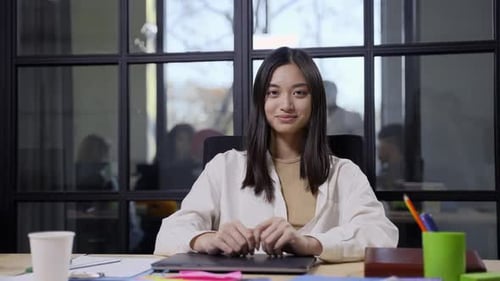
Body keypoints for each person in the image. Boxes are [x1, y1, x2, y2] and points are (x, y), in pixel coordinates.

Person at [154, 47, 398, 262]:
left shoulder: (343, 173)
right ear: (261, 101)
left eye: (299, 93)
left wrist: (310, 244)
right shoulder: (224, 167)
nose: (286, 105)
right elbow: (170, 233)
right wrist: (207, 239)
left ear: (316, 102)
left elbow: (381, 234)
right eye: (273, 93)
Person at [376, 123, 405, 190]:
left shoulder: (401, 172)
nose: (378, 148)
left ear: (391, 144)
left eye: (380, 143)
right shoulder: (386, 171)